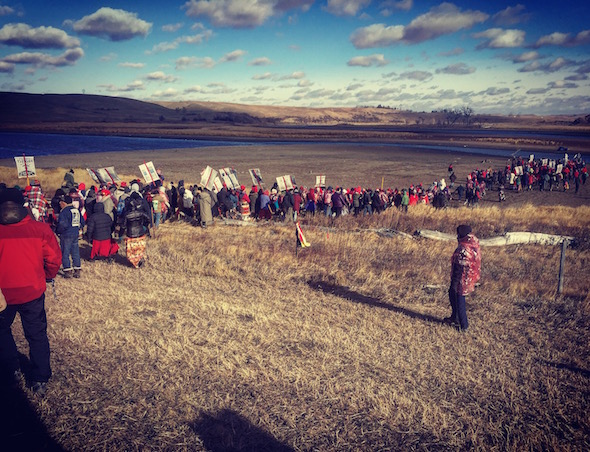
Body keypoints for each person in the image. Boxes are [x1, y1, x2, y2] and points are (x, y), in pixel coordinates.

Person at [0, 188, 62, 396]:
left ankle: (11, 369)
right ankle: (39, 378)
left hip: (2, 294)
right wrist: (46, 275)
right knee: (36, 334)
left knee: (1, 331)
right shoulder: (40, 229)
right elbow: (53, 259)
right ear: (23, 206)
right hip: (33, 291)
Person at [446, 225, 481, 331]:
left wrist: (456, 281)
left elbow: (461, 266)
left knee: (459, 299)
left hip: (462, 278)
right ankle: (454, 317)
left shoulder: (464, 248)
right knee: (452, 294)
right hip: (469, 276)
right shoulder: (472, 243)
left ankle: (463, 325)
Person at [56, 195, 85, 278]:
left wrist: (58, 231)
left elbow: (62, 224)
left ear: (64, 203)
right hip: (75, 234)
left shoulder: (64, 212)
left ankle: (67, 270)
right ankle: (77, 269)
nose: (60, 204)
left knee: (65, 253)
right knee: (75, 252)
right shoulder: (76, 210)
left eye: (61, 202)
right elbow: (82, 222)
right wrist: (77, 228)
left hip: (66, 234)